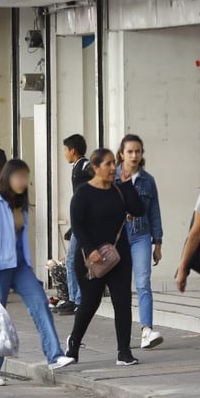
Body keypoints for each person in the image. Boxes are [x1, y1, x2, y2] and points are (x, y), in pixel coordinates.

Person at [0, 159, 76, 385]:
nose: (23, 182)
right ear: (7, 178)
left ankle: (55, 355)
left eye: (26, 177)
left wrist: (29, 265)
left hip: (20, 266)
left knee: (41, 303)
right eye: (19, 177)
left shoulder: (20, 204)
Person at [65, 148, 145, 366]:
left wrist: (128, 184)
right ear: (95, 168)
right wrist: (91, 250)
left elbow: (138, 210)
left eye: (114, 164)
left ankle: (124, 352)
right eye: (108, 164)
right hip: (91, 260)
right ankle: (73, 345)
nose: (113, 168)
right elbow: (78, 226)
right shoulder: (83, 193)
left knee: (122, 303)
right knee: (90, 304)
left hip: (118, 257)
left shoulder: (119, 190)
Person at [116, 134, 164, 350]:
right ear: (121, 154)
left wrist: (158, 243)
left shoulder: (148, 180)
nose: (134, 155)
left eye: (138, 151)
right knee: (121, 286)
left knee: (143, 282)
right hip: (118, 237)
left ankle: (146, 330)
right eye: (130, 151)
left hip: (141, 235)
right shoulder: (112, 177)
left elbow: (154, 212)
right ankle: (123, 337)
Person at [58, 134, 89, 315]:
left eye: (65, 150)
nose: (64, 154)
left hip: (83, 221)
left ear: (73, 151)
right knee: (75, 259)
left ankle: (76, 299)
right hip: (80, 221)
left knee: (72, 259)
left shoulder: (85, 167)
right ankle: (75, 298)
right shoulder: (78, 167)